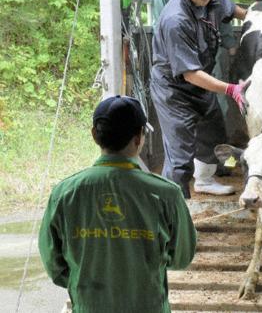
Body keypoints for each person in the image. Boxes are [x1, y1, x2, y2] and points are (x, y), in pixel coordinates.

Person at [38, 95, 196, 313]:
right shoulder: (166, 194)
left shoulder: (65, 193)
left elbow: (54, 265)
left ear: (94, 135)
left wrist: (86, 284)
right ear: (139, 137)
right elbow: (181, 258)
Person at [151, 0, 247, 199]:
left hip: (201, 83)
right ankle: (173, 212)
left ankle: (203, 181)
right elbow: (190, 74)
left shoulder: (212, 0)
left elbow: (233, 9)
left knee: (214, 135)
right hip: (175, 89)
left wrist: (261, 17)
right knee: (180, 155)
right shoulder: (176, 19)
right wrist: (230, 89)